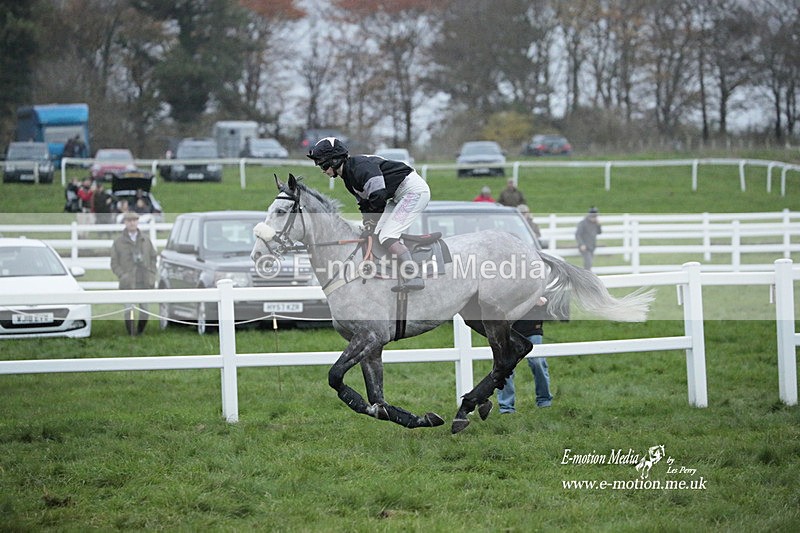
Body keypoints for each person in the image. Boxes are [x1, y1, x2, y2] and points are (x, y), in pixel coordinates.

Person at [308, 137, 429, 292]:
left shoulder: (360, 168)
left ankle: (414, 276)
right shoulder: (348, 177)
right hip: (398, 195)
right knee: (377, 233)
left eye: (323, 165)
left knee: (387, 236)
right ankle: (393, 271)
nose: (322, 170)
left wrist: (372, 221)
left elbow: (378, 195)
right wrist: (368, 224)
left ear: (335, 160)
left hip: (413, 192)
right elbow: (365, 203)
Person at [496, 303, 553, 413]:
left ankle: (544, 401)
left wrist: (540, 298)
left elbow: (547, 298)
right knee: (505, 365)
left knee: (538, 363)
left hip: (532, 325)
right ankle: (506, 407)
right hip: (507, 327)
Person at [110, 211, 158, 335]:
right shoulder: (119, 242)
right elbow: (114, 263)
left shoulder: (145, 240)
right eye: (129, 221)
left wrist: (152, 273)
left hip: (144, 280)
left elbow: (153, 257)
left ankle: (140, 332)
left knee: (145, 310)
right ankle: (131, 334)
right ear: (125, 223)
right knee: (128, 310)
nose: (132, 223)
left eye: (134, 220)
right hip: (128, 281)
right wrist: (122, 275)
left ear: (137, 222)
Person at [575, 206, 602, 271]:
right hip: (585, 247)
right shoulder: (582, 223)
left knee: (589, 263)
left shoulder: (595, 223)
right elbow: (578, 234)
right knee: (588, 263)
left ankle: (586, 275)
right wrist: (581, 244)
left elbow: (599, 232)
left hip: (592, 246)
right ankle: (587, 275)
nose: (594, 218)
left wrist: (599, 225)